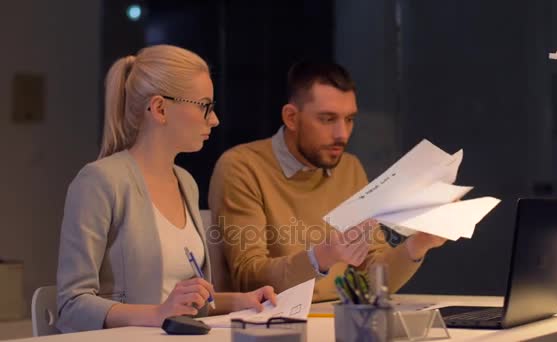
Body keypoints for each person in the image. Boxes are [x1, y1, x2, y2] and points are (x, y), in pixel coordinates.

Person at [56, 45, 276, 333]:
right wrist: (159, 313)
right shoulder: (99, 181)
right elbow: (70, 305)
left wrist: (240, 300)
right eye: (205, 106)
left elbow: (176, 301)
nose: (214, 119)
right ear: (160, 108)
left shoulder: (185, 181)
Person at [208, 61, 447, 301]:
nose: (342, 134)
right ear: (291, 118)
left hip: (337, 315)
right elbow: (248, 277)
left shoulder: (349, 168)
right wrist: (321, 257)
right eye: (327, 119)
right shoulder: (242, 167)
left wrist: (417, 245)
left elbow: (371, 279)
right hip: (270, 321)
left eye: (349, 119)